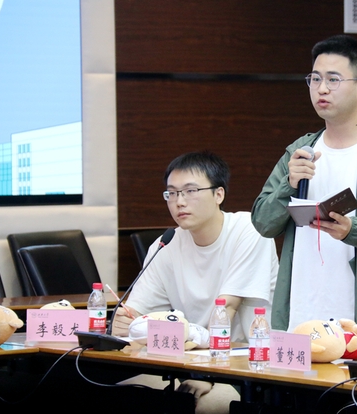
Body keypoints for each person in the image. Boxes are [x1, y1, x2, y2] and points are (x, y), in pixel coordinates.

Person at [251, 34, 357, 357]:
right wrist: (289, 183)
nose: (321, 89)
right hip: (300, 316)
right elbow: (263, 222)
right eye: (315, 79)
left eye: (333, 79)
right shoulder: (300, 151)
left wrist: (352, 230)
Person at [112, 151, 279, 413]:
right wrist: (126, 323)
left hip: (250, 364)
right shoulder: (165, 245)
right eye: (172, 193)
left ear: (219, 194)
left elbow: (226, 311)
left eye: (190, 191)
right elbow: (135, 318)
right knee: (119, 395)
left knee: (201, 408)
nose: (179, 202)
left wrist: (206, 374)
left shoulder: (249, 229)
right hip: (188, 362)